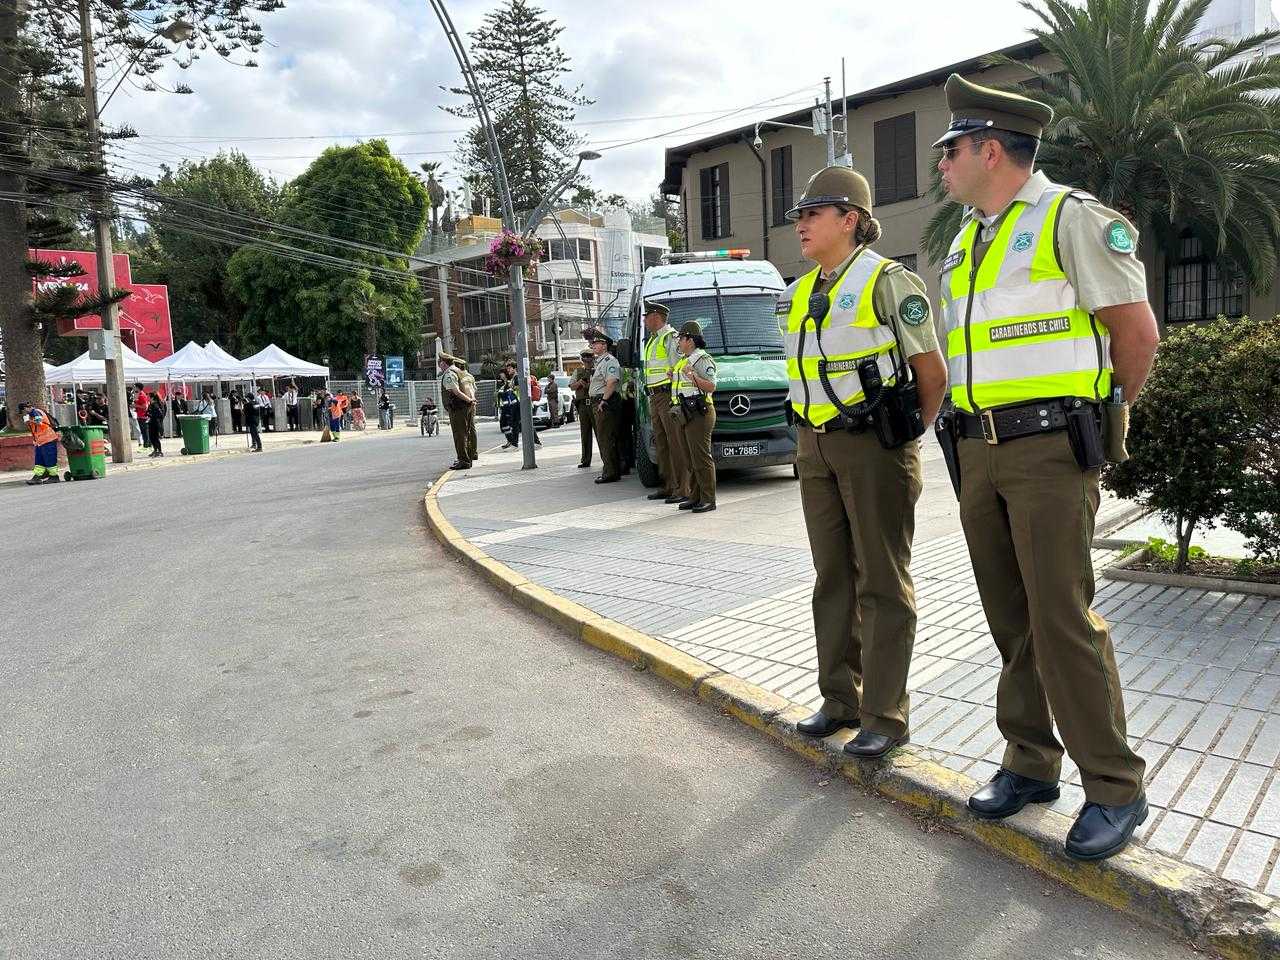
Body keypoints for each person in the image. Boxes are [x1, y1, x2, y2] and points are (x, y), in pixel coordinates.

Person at [933, 75, 1160, 859]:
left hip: (1048, 450)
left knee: (1062, 617)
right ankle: (1029, 763)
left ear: (991, 149)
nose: (941, 164)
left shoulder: (1072, 220)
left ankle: (1115, 786)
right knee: (1010, 618)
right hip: (976, 450)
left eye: (950, 150)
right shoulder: (968, 237)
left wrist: (1105, 419)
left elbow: (1137, 336)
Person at [780, 165, 949, 761]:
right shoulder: (800, 290)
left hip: (874, 447)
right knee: (832, 578)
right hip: (814, 446)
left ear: (849, 220)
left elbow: (931, 374)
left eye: (812, 213)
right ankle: (839, 700)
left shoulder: (888, 282)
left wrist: (901, 439)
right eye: (799, 214)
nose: (800, 223)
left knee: (882, 581)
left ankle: (885, 715)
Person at [670, 321, 719, 513]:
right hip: (686, 412)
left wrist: (692, 377)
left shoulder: (702, 359)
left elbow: (711, 386)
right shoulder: (686, 359)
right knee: (690, 458)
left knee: (701, 457)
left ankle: (708, 499)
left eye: (681, 339)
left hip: (700, 412)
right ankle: (695, 496)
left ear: (690, 340)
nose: (679, 343)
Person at [639, 301, 684, 502]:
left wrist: (675, 400)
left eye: (647, 317)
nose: (645, 321)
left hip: (667, 396)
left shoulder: (670, 338)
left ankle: (681, 489)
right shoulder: (653, 339)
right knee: (662, 443)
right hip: (655, 396)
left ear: (656, 317)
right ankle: (667, 485)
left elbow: (679, 368)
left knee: (674, 442)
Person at [586, 328, 622, 484]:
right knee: (603, 437)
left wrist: (604, 400)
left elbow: (612, 381)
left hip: (604, 403)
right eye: (593, 343)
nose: (593, 345)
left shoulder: (610, 361)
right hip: (599, 402)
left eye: (596, 343)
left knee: (605, 437)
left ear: (604, 345)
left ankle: (610, 472)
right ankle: (610, 469)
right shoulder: (600, 361)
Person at [440, 354, 473, 469]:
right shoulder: (461, 372)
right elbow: (469, 388)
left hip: (458, 408)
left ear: (444, 363)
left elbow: (455, 391)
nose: (440, 365)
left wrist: (469, 400)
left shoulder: (450, 373)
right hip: (466, 407)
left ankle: (463, 460)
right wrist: (471, 400)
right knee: (466, 433)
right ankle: (467, 457)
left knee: (459, 435)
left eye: (440, 362)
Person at [19, 402, 60, 485]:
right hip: (40, 441)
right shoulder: (32, 413)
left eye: (23, 410)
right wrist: (28, 422)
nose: (24, 412)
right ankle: (37, 477)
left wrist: (29, 420)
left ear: (26, 408)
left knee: (49, 459)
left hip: (48, 439)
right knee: (39, 460)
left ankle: (54, 477)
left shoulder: (35, 412)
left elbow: (39, 422)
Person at [570, 350, 594, 469]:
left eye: (589, 358)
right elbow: (571, 386)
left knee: (601, 434)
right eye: (585, 358)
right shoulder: (578, 371)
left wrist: (590, 385)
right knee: (585, 433)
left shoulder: (597, 369)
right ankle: (585, 460)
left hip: (595, 403)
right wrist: (580, 383)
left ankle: (606, 460)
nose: (587, 361)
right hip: (583, 405)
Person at [454, 359, 479, 462]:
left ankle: (469, 453)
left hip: (465, 404)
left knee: (465, 430)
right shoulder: (470, 376)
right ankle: (474, 452)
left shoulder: (461, 377)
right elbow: (475, 389)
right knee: (471, 428)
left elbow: (464, 391)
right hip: (472, 404)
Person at [145, 391, 165, 458]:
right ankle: (155, 450)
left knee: (155, 437)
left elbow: (159, 414)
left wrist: (150, 414)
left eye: (149, 396)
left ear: (152, 397)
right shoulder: (152, 403)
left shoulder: (155, 404)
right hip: (151, 422)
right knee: (151, 437)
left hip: (155, 423)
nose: (148, 398)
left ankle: (159, 451)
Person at [243, 385, 263, 451]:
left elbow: (245, 412)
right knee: (253, 433)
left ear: (249, 398)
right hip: (256, 420)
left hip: (251, 420)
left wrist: (244, 405)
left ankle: (259, 446)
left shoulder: (248, 404)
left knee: (255, 433)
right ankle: (254, 444)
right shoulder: (256, 403)